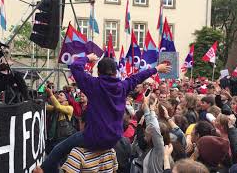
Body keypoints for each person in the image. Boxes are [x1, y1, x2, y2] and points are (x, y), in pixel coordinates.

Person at [38, 54, 171, 172]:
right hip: (113, 139)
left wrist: (88, 58)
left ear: (98, 72)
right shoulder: (122, 86)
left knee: (58, 149)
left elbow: (75, 66)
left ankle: (42, 170)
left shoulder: (93, 84)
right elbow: (138, 77)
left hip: (93, 138)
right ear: (115, 72)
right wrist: (157, 69)